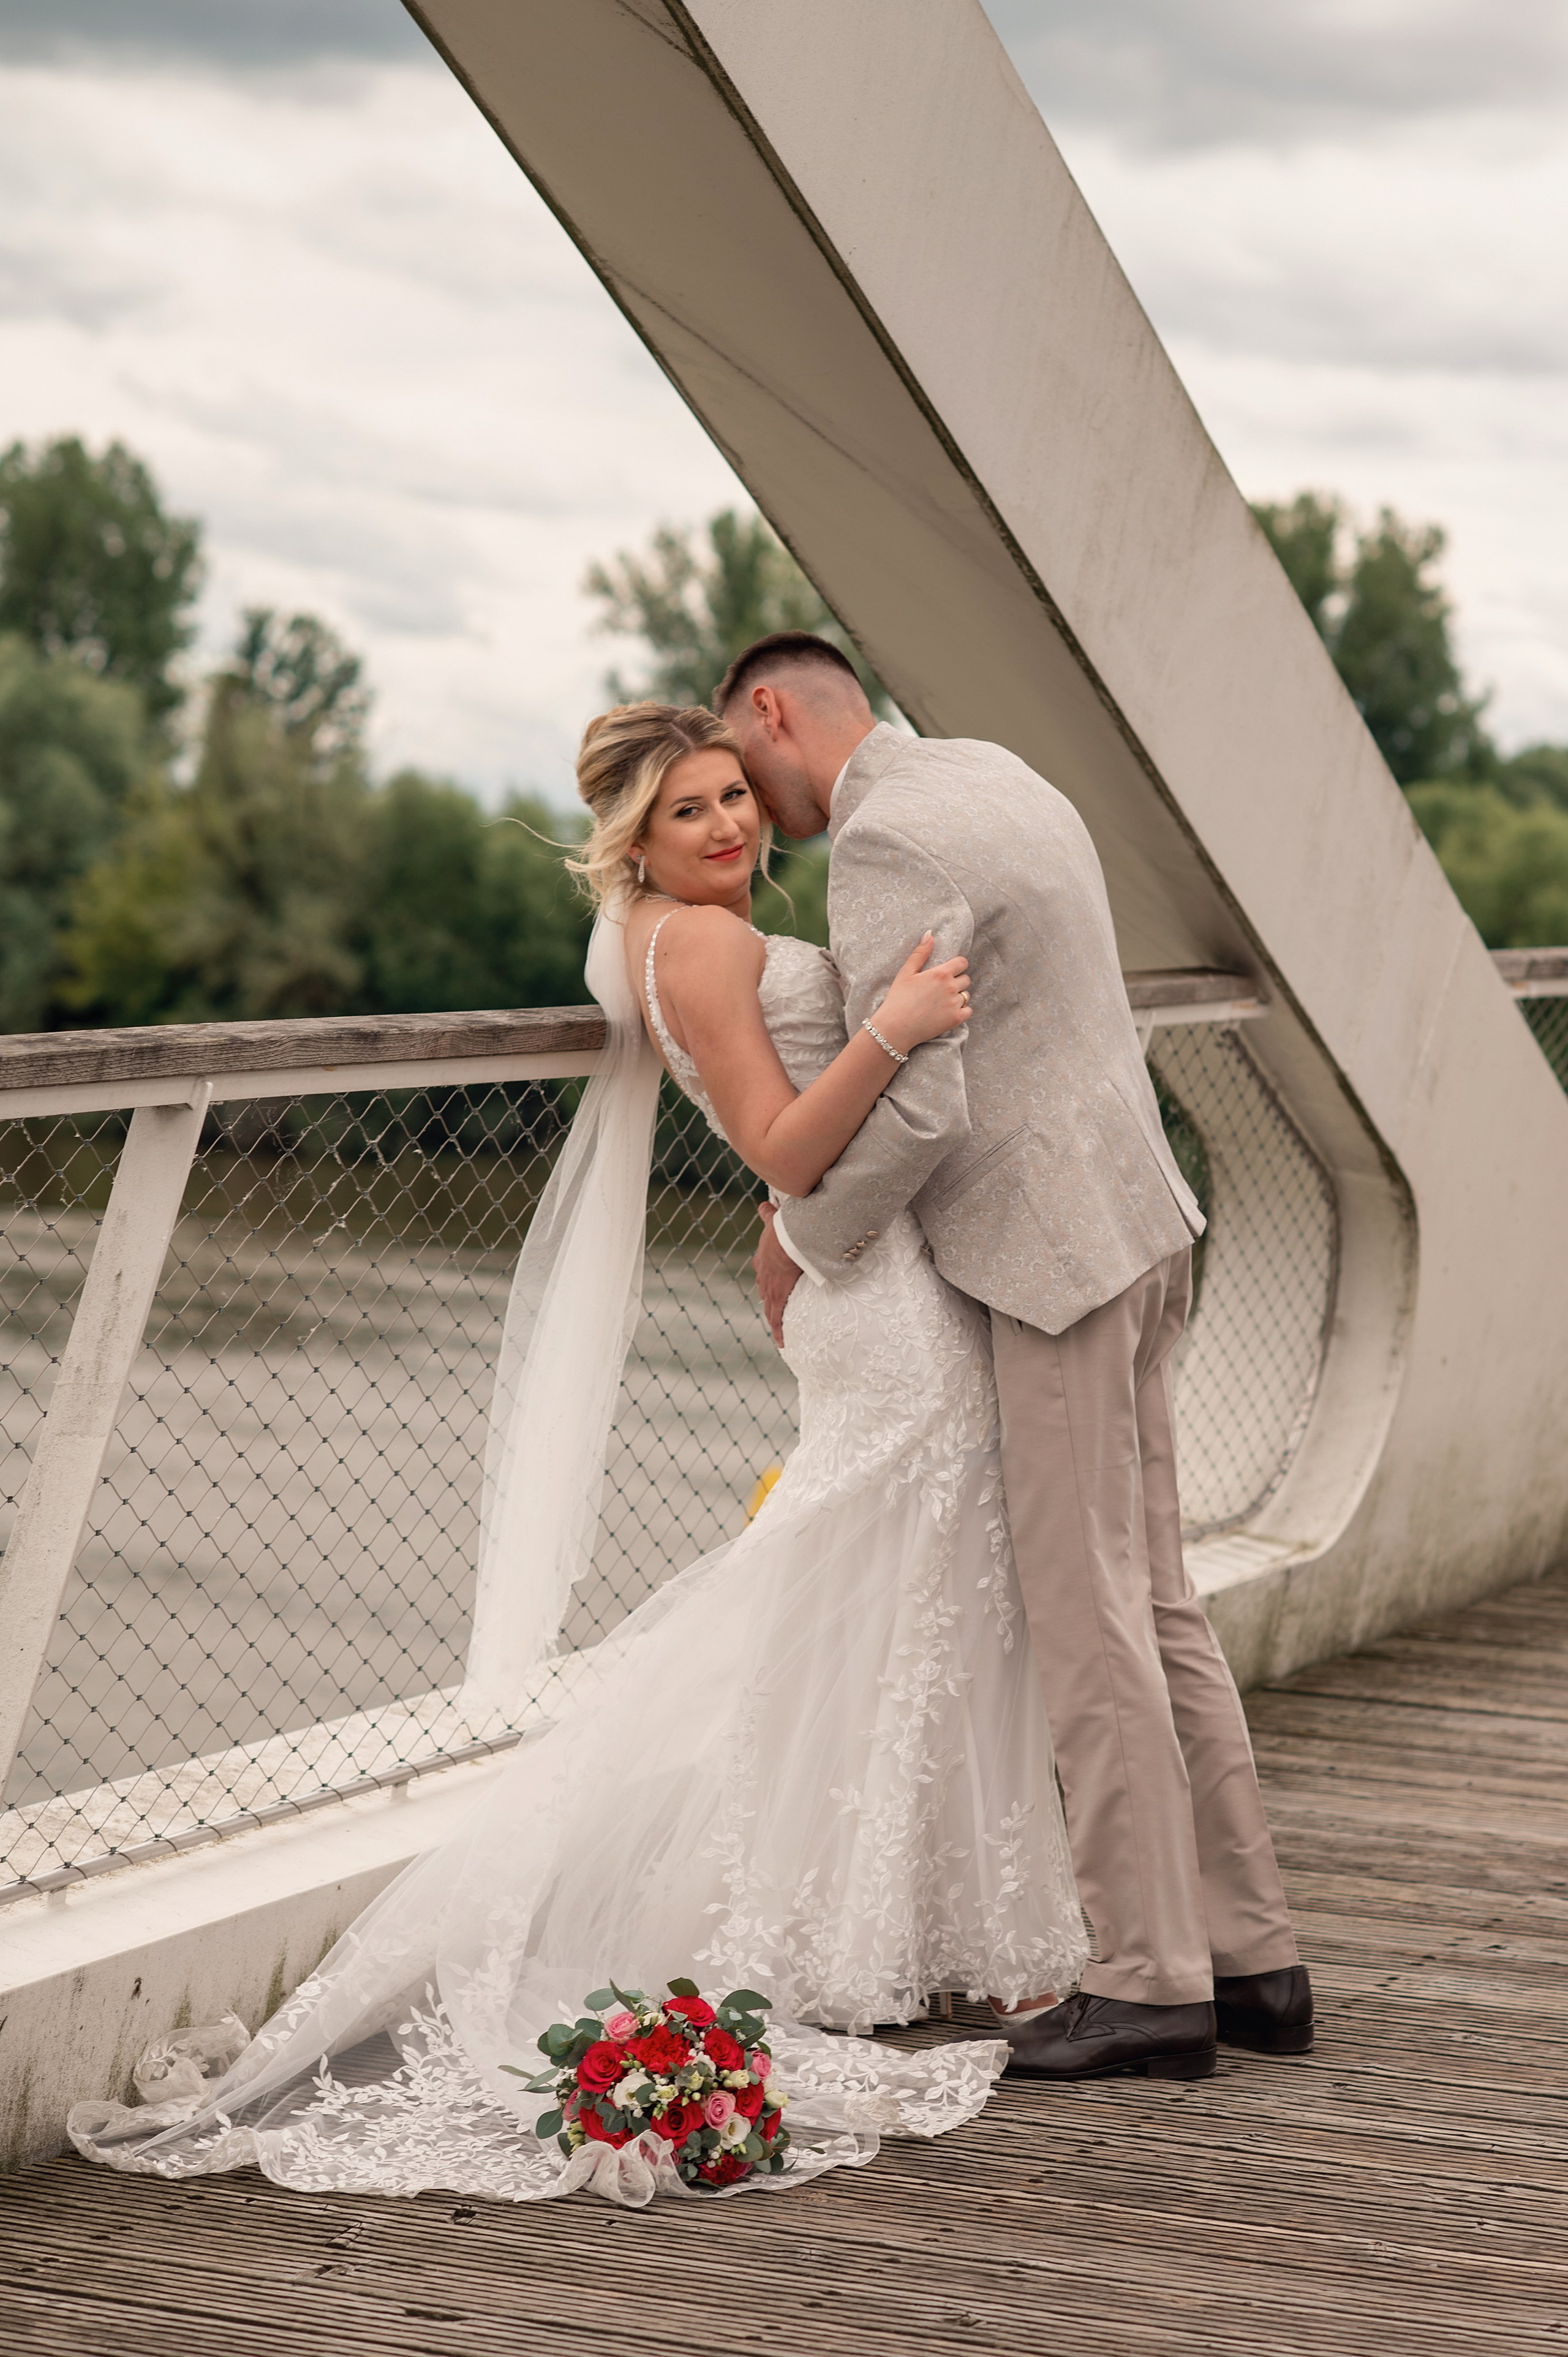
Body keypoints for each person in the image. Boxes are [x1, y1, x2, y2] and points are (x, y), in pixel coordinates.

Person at [69, 700, 1089, 2211]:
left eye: (739, 795)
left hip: (859, 1291)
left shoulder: (650, 940)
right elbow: (782, 1147)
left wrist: (796, 1185)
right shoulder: (708, 943)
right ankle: (877, 1929)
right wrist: (895, 1024)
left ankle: (883, 1923)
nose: (732, 826)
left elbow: (774, 1155)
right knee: (865, 1590)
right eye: (690, 811)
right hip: (882, 1313)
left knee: (893, 1599)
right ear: (637, 839)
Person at [718, 633, 1313, 2080]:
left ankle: (1145, 1981)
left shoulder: (885, 841)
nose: (749, 802)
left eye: (743, 762)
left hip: (1046, 1261)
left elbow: (917, 1114)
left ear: (774, 709)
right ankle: (1253, 1960)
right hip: (1143, 1221)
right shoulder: (994, 774)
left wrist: (802, 1233)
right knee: (1158, 1597)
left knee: (1085, 1609)